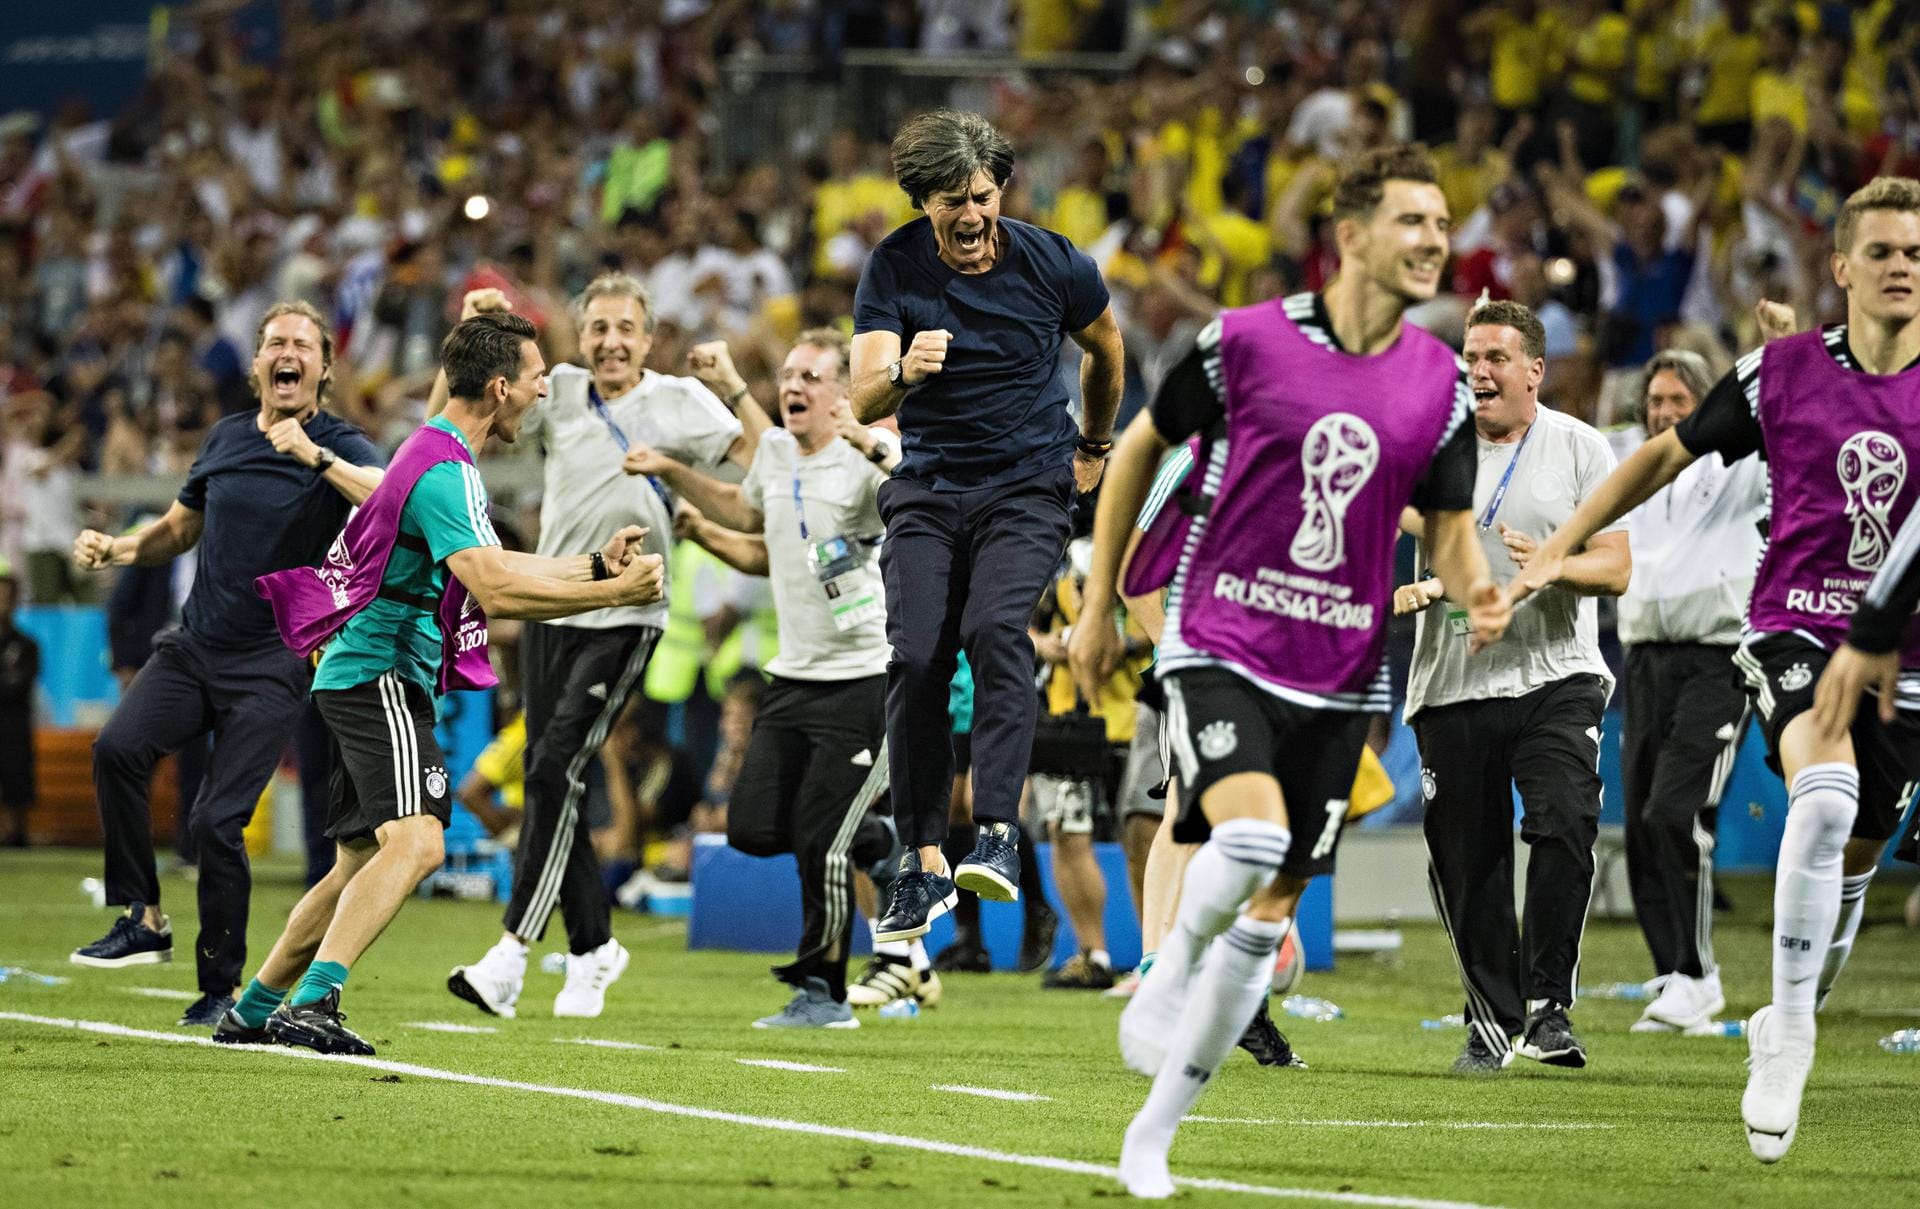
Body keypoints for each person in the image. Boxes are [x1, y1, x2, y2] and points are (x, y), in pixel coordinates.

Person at [1069, 144, 1509, 1199]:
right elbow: (1137, 451)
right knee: (1253, 832)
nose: (1433, 243)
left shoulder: (1439, 383)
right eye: (1413, 222)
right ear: (1349, 237)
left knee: (1269, 924)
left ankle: (1153, 1136)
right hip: (1219, 637)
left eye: (1442, 226)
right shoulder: (1245, 344)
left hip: (1341, 672)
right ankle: (1162, 970)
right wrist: (1096, 605)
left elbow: (1445, 530)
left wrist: (1479, 584)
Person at [1517, 176, 1920, 1163]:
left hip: (1906, 648)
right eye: (1882, 252)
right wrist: (1566, 535)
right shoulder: (1783, 371)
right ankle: (1791, 1040)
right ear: (1841, 269)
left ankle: (1789, 1013)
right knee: (1821, 801)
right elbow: (1662, 457)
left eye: (1916, 253)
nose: (1902, 267)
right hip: (1798, 626)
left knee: (1861, 843)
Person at [220, 313, 665, 1056]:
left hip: (364, 670)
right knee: (421, 841)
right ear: (500, 387)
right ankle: (315, 1001)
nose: (541, 390)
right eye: (533, 378)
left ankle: (256, 1005)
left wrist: (595, 566)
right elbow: (498, 591)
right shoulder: (446, 470)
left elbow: (500, 566)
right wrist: (617, 596)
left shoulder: (434, 453)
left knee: (359, 863)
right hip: (381, 672)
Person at [445, 274, 756, 1022]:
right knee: (562, 779)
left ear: (650, 339)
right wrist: (483, 333)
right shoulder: (563, 390)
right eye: (598, 328)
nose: (612, 341)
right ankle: (592, 950)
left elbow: (760, 458)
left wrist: (718, 417)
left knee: (553, 764)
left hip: (627, 611)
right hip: (556, 605)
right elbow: (473, 412)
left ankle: (511, 952)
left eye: (626, 328)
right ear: (578, 338)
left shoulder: (678, 399)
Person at [849, 108, 1125, 942]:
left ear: (1000, 187)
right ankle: (923, 861)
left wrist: (1095, 444)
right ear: (920, 203)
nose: (969, 216)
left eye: (980, 194)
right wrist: (903, 371)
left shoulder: (1053, 262)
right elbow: (861, 395)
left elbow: (1106, 350)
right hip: (928, 487)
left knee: (997, 628)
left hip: (1027, 485)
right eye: (948, 201)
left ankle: (998, 835)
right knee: (916, 654)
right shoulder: (891, 267)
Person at [68, 301, 384, 1029]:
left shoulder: (340, 442)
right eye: (275, 342)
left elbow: (388, 497)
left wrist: (313, 455)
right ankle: (143, 916)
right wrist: (119, 548)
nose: (287, 353)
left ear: (324, 369)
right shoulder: (226, 438)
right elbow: (180, 528)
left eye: (303, 344)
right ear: (257, 367)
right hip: (195, 645)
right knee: (116, 747)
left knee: (216, 820)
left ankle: (221, 985)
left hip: (276, 659)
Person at [629, 328, 906, 1028]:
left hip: (862, 676)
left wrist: (870, 441)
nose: (796, 386)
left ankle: (825, 992)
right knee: (752, 827)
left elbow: (914, 492)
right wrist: (674, 471)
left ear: (845, 392)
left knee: (820, 839)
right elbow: (748, 514)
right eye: (789, 374)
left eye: (813, 376)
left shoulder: (867, 459)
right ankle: (879, 844)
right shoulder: (779, 454)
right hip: (793, 680)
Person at [1394, 299, 1631, 1075]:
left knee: (1565, 819)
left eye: (1497, 357)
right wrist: (1404, 585)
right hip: (1455, 678)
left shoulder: (1579, 448)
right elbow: (1380, 517)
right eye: (1471, 356)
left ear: (1536, 369)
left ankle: (1547, 1007)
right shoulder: (1433, 445)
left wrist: (1551, 565)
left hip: (1555, 671)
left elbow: (1618, 566)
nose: (1480, 371)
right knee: (1470, 858)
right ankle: (1490, 1024)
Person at [1614, 349, 1766, 1034]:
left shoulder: (1740, 463)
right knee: (1646, 822)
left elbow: (1778, 429)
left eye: (1681, 401)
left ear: (1707, 405)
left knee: (1678, 809)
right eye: (1658, 401)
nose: (1667, 412)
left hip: (1715, 658)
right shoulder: (1634, 464)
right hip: (1643, 659)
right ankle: (1675, 970)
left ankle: (1700, 974)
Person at [0, 558, 38, 847]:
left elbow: (19, 685)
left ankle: (16, 833)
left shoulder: (26, 644)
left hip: (13, 724)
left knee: (16, 772)